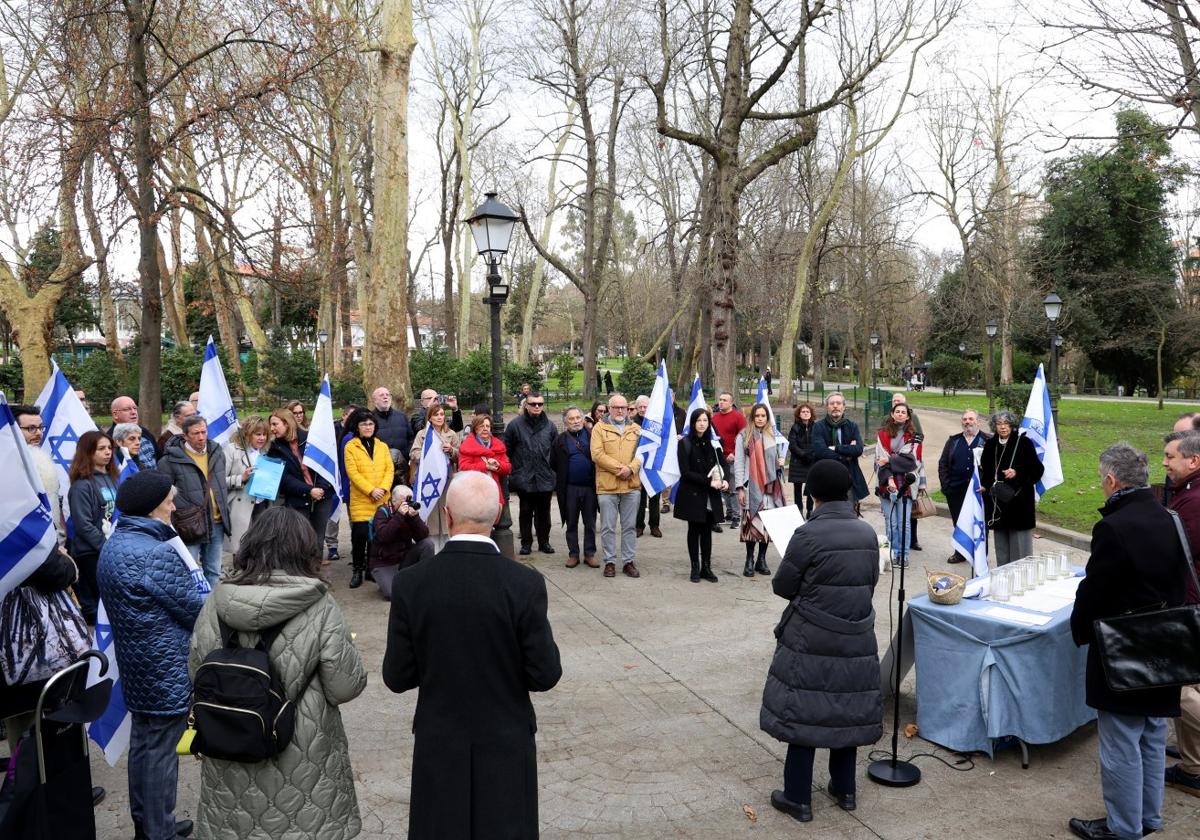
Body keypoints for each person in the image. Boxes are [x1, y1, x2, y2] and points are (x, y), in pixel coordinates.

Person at [382, 472, 562, 839]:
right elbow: (545, 674)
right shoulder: (524, 583)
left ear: (447, 515)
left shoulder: (411, 583)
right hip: (506, 740)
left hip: (439, 739)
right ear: (498, 514)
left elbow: (397, 676)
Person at [189, 507, 367, 840]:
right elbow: (344, 686)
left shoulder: (216, 602)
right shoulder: (320, 605)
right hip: (304, 758)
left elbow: (196, 671)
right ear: (305, 549)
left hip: (229, 749)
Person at [1068, 443, 1188, 840]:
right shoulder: (1168, 515)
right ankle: (1148, 818)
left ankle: (1123, 829)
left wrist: (1080, 630)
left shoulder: (1114, 527)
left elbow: (1095, 589)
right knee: (1152, 737)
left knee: (1121, 745)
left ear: (1110, 480)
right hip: (1165, 647)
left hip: (1125, 650)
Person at [760, 459, 882, 824]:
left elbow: (783, 586)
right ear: (847, 491)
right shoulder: (866, 533)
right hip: (857, 634)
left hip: (810, 636)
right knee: (846, 711)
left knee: (805, 713)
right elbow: (870, 582)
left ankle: (797, 798)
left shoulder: (807, 535)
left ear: (812, 494)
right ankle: (845, 790)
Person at [97, 471, 204, 840]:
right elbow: (195, 609)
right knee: (160, 752)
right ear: (149, 508)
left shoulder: (116, 543)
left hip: (138, 663)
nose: (173, 507)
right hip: (164, 666)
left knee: (144, 744)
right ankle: (159, 832)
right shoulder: (155, 552)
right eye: (168, 502)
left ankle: (148, 824)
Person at [1, 546, 78, 753]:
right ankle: (41, 777)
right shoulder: (18, 521)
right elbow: (53, 572)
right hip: (31, 644)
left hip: (11, 648)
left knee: (19, 716)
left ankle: (23, 774)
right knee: (43, 709)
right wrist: (67, 562)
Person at [1163, 429, 1200, 797]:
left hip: (1188, 605)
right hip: (1191, 603)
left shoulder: (1193, 502)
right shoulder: (1187, 495)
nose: (1164, 463)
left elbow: (1172, 554)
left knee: (1176, 685)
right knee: (1191, 683)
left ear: (1194, 461)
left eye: (1171, 457)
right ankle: (1193, 768)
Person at [158, 415, 232, 589]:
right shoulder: (169, 461)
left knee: (213, 570)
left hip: (217, 521)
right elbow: (164, 494)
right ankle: (194, 609)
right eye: (195, 433)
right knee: (190, 571)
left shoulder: (217, 452)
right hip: (189, 524)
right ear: (185, 436)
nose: (201, 437)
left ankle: (210, 609)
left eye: (204, 432)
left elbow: (220, 484)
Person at [66, 429, 119, 623]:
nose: (108, 452)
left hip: (112, 550)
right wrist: (106, 547)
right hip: (91, 554)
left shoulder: (114, 479)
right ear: (88, 452)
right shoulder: (82, 486)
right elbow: (83, 525)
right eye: (101, 449)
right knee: (97, 607)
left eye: (110, 448)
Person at [979, 410, 1044, 567]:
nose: (1003, 427)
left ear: (1012, 426)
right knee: (1002, 548)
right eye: (999, 424)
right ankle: (1003, 578)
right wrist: (984, 486)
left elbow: (1037, 470)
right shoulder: (990, 444)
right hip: (998, 503)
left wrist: (1017, 472)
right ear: (994, 426)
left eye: (1006, 424)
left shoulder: (1024, 443)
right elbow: (987, 472)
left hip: (1020, 502)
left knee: (1021, 549)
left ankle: (1023, 579)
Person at [269, 408, 336, 550]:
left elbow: (326, 464)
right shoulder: (275, 448)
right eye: (271, 425)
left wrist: (321, 489)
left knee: (318, 538)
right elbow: (284, 478)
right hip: (298, 498)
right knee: (300, 538)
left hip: (323, 496)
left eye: (275, 424)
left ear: (286, 423)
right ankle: (301, 571)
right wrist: (309, 490)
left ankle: (315, 570)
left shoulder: (311, 439)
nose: (272, 429)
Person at [674, 408, 728, 583]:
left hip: (710, 495)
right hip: (693, 493)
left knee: (707, 531)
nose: (702, 424)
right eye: (699, 421)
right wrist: (708, 482)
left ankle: (706, 567)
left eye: (705, 420)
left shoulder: (713, 443)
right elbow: (685, 472)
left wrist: (725, 479)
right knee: (694, 530)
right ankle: (695, 567)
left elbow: (723, 464)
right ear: (693, 423)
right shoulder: (685, 443)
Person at [591, 393, 643, 578]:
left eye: (624, 407)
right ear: (609, 408)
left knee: (629, 526)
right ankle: (610, 562)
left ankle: (628, 561)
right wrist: (619, 468)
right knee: (607, 527)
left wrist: (631, 468)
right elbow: (597, 454)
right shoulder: (599, 428)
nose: (620, 410)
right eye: (616, 407)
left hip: (631, 486)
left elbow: (642, 454)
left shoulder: (637, 429)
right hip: (607, 486)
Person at [735, 403, 787, 578]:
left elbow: (779, 459)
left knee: (767, 524)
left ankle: (761, 559)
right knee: (751, 524)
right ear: (752, 417)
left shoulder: (773, 435)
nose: (760, 419)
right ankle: (749, 559)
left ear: (767, 418)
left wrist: (781, 462)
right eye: (757, 416)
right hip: (752, 487)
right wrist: (740, 488)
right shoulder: (743, 436)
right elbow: (739, 463)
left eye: (763, 416)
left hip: (770, 488)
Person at [344, 408, 393, 589]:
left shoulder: (382, 446)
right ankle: (358, 569)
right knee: (360, 535)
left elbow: (389, 470)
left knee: (376, 537)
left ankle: (372, 570)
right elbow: (353, 473)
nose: (368, 427)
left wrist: (383, 488)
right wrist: (371, 490)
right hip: (362, 499)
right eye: (364, 424)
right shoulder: (351, 446)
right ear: (357, 426)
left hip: (381, 498)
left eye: (371, 423)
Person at [504, 391, 558, 556]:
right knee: (525, 511)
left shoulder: (550, 426)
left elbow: (555, 451)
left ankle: (544, 541)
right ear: (526, 405)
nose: (536, 407)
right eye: (533, 404)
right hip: (524, 476)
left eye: (540, 404)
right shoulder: (515, 425)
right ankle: (526, 543)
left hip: (544, 476)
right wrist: (516, 469)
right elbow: (508, 449)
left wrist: (552, 472)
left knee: (544, 512)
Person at [873, 403, 924, 566]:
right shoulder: (882, 434)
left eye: (903, 412)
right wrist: (889, 479)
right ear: (892, 414)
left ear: (908, 416)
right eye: (897, 412)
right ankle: (892, 553)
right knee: (891, 522)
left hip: (906, 485)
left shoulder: (914, 436)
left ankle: (904, 555)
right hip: (886, 483)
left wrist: (889, 459)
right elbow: (879, 460)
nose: (900, 414)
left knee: (904, 523)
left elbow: (911, 461)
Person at [938, 409, 989, 564]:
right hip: (956, 490)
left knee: (980, 523)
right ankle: (960, 553)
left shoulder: (987, 440)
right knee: (959, 522)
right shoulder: (954, 441)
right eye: (965, 419)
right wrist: (946, 486)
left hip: (979, 492)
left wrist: (987, 485)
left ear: (977, 421)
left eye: (971, 419)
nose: (968, 422)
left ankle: (981, 555)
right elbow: (943, 464)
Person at [551, 406, 598, 568]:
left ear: (583, 419)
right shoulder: (560, 440)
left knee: (590, 522)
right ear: (566, 422)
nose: (576, 421)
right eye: (571, 419)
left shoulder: (593, 436)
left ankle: (590, 554)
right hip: (569, 488)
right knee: (571, 522)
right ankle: (573, 554)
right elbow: (554, 463)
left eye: (578, 418)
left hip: (590, 487)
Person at [371, 485, 436, 599]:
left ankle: (426, 581)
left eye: (409, 500)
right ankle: (391, 581)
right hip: (384, 562)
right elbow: (383, 536)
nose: (407, 504)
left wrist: (415, 518)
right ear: (394, 500)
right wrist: (399, 516)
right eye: (404, 501)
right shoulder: (382, 512)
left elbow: (423, 536)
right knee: (393, 594)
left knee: (428, 544)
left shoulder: (408, 513)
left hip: (403, 559)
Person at [810, 392, 869, 511]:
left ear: (844, 407)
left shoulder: (852, 426)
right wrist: (846, 455)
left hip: (849, 477)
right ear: (827, 407)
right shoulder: (818, 427)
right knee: (826, 514)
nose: (835, 406)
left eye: (838, 403)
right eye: (832, 403)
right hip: (825, 478)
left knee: (849, 513)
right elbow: (820, 451)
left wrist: (836, 448)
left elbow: (858, 449)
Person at [409, 402, 461, 536]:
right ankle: (431, 541)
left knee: (446, 510)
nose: (439, 417)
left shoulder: (451, 434)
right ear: (429, 417)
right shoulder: (422, 434)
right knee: (430, 512)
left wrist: (451, 450)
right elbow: (414, 452)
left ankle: (447, 537)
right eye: (436, 414)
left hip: (446, 479)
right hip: (428, 478)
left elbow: (461, 455)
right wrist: (428, 457)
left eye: (442, 414)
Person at [14, 404, 64, 537]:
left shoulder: (41, 457)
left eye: (40, 427)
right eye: (31, 428)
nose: (39, 433)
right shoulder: (7, 463)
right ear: (13, 430)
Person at [223, 415, 270, 554]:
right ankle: (239, 570)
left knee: (260, 541)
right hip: (239, 504)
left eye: (264, 434)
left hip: (261, 503)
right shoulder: (232, 450)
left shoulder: (265, 452)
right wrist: (241, 478)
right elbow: (219, 481)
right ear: (247, 434)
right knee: (240, 544)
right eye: (258, 434)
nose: (262, 438)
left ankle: (255, 570)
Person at [891, 393, 925, 550]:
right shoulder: (887, 422)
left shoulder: (914, 419)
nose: (897, 404)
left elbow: (920, 438)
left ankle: (912, 540)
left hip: (910, 469)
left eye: (900, 402)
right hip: (892, 474)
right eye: (894, 402)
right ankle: (896, 545)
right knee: (894, 516)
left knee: (910, 512)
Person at [326, 404, 359, 563]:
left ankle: (357, 545)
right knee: (333, 515)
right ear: (344, 416)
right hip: (334, 479)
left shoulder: (356, 435)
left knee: (355, 515)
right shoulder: (332, 430)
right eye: (351, 416)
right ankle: (332, 546)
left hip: (351, 480)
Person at [457, 413, 511, 510]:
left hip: (493, 492)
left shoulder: (498, 445)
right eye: (481, 426)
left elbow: (508, 467)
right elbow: (463, 467)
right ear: (475, 429)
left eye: (487, 426)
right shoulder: (467, 445)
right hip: (473, 491)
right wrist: (485, 466)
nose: (485, 429)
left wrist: (498, 465)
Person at [711, 391, 748, 527]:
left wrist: (734, 453)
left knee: (733, 489)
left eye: (725, 400)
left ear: (731, 403)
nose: (721, 402)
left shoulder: (738, 418)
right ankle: (729, 512)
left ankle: (736, 517)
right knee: (723, 488)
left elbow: (744, 438)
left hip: (733, 458)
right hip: (718, 458)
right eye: (720, 399)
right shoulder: (714, 418)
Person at [630, 395, 663, 538]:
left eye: (645, 407)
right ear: (636, 408)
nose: (643, 409)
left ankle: (655, 525)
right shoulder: (631, 424)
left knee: (655, 497)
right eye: (640, 407)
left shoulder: (656, 423)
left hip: (653, 465)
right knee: (640, 498)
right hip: (638, 465)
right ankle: (639, 526)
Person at [370, 386, 412, 487]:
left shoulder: (402, 417)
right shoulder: (369, 419)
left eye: (388, 395)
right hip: (379, 470)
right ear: (374, 400)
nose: (385, 397)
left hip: (402, 468)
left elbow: (411, 438)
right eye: (381, 395)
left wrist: (406, 456)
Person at [109, 395, 160, 466]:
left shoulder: (145, 432)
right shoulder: (109, 439)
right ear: (115, 414)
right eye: (127, 409)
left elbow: (159, 457)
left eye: (135, 408)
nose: (133, 412)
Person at [787, 402, 816, 517]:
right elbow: (792, 444)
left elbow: (818, 442)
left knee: (811, 487)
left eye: (807, 411)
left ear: (811, 413)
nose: (805, 413)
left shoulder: (816, 427)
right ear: (799, 414)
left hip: (812, 461)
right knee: (797, 488)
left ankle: (810, 510)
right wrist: (803, 454)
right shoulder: (795, 427)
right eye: (803, 412)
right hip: (798, 462)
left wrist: (811, 455)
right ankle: (798, 510)